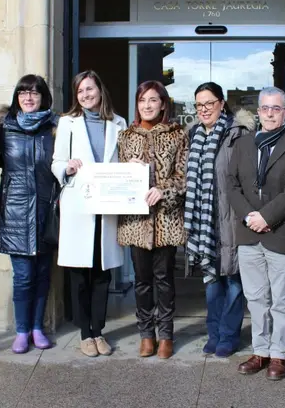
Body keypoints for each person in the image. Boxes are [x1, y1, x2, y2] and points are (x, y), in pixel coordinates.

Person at [227, 86, 285, 381]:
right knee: (256, 299)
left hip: (281, 233)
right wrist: (251, 217)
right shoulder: (243, 144)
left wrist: (266, 217)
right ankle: (260, 351)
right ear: (259, 112)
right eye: (266, 108)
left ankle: (279, 355)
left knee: (281, 301)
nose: (271, 113)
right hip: (249, 232)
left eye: (277, 108)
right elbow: (232, 184)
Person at [52, 70, 127, 357]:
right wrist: (66, 167)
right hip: (79, 207)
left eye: (90, 89)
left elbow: (123, 160)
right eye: (80, 91)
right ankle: (85, 334)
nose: (85, 95)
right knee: (79, 275)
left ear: (100, 90)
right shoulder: (68, 123)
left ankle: (99, 330)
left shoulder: (117, 123)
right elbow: (56, 162)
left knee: (102, 273)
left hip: (107, 207)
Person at [117, 80, 189, 359]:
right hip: (136, 221)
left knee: (165, 279)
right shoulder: (126, 136)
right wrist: (126, 171)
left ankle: (166, 335)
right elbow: (115, 177)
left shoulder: (178, 134)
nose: (147, 106)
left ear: (163, 104)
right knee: (141, 280)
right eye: (142, 100)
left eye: (153, 100)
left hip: (166, 220)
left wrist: (164, 189)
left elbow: (184, 178)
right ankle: (146, 334)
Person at [184, 82, 254, 358]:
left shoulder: (238, 134)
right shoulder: (194, 135)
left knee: (234, 280)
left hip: (233, 218)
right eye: (199, 105)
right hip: (205, 221)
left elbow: (247, 179)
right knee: (212, 280)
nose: (204, 110)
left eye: (209, 104)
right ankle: (213, 332)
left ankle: (229, 334)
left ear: (221, 103)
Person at [0, 74, 57, 354]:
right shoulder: (4, 127)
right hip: (16, 210)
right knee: (23, 276)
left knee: (43, 274)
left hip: (46, 208)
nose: (28, 98)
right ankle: (21, 331)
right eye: (23, 93)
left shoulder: (55, 128)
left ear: (44, 97)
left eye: (34, 93)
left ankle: (36, 328)